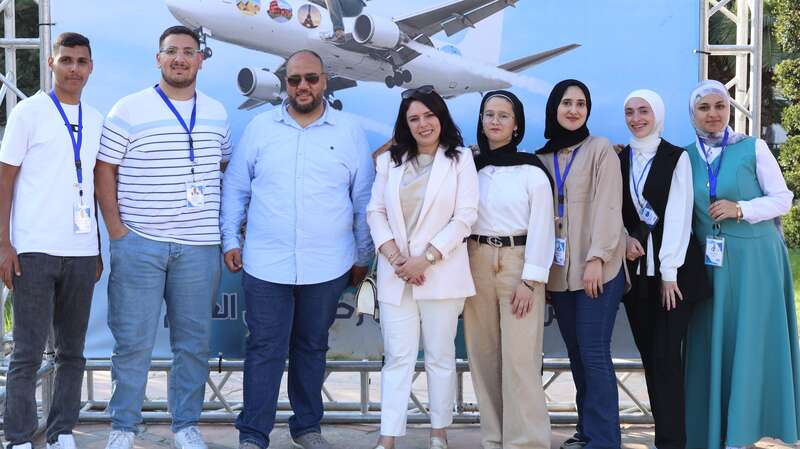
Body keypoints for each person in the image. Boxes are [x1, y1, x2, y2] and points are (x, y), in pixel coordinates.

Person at [220, 50, 374, 449]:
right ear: (284, 83)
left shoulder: (350, 130)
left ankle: (307, 428)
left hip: (328, 264)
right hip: (265, 263)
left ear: (325, 81)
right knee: (264, 347)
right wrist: (230, 239)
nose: (302, 87)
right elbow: (236, 187)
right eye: (294, 80)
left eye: (311, 79)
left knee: (311, 346)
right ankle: (254, 433)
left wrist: (362, 256)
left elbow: (363, 199)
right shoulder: (259, 127)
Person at [95, 26, 232, 449]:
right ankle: (123, 426)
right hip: (139, 243)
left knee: (192, 344)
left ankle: (185, 425)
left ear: (201, 60)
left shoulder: (218, 113)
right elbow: (105, 170)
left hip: (198, 248)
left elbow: (220, 166)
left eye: (188, 52)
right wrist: (118, 232)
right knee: (132, 343)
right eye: (171, 52)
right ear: (158, 59)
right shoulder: (128, 108)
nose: (179, 59)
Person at [683, 79, 800, 449]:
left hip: (756, 261)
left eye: (720, 106)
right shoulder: (685, 156)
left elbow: (784, 199)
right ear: (692, 114)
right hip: (711, 267)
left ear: (729, 110)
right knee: (713, 342)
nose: (713, 114)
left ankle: (746, 431)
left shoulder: (753, 147)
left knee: (752, 343)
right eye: (704, 108)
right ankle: (715, 431)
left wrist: (742, 209)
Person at [0, 32, 102, 449]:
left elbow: (92, 182)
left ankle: (61, 432)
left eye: (81, 61)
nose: (73, 68)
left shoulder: (95, 119)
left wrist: (95, 247)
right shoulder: (29, 112)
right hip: (33, 250)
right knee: (26, 352)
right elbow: (5, 178)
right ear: (51, 64)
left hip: (81, 252)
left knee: (72, 353)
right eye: (66, 60)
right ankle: (20, 436)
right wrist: (4, 245)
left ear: (90, 67)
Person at [366, 85, 478, 449]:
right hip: (397, 274)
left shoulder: (461, 159)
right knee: (397, 357)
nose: (422, 123)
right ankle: (388, 437)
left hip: (440, 273)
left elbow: (465, 217)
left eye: (429, 115)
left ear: (441, 117)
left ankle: (438, 434)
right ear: (405, 124)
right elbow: (375, 212)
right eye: (414, 118)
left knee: (440, 356)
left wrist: (425, 258)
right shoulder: (389, 161)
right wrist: (398, 259)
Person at [535, 79, 627, 449]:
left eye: (581, 103)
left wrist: (597, 259)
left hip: (597, 271)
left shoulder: (600, 149)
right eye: (566, 103)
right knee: (577, 355)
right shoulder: (541, 160)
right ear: (554, 108)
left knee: (593, 352)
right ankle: (588, 430)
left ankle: (605, 439)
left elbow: (609, 207)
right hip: (560, 275)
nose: (573, 110)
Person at [618, 89, 710, 449]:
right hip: (637, 275)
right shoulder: (620, 157)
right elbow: (616, 209)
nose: (637, 118)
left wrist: (668, 271)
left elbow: (678, 214)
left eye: (643, 111)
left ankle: (673, 442)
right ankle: (666, 438)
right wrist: (626, 237)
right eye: (630, 111)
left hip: (675, 277)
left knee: (666, 358)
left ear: (657, 114)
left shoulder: (677, 157)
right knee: (651, 362)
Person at [464, 90, 554, 449]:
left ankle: (526, 442)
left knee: (520, 359)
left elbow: (545, 226)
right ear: (481, 121)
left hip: (519, 264)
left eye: (504, 115)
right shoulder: (470, 167)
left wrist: (530, 280)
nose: (496, 121)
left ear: (516, 125)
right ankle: (494, 438)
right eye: (489, 114)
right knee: (483, 356)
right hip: (476, 260)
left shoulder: (531, 169)